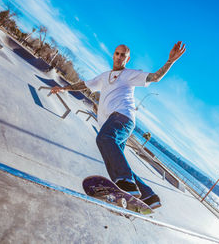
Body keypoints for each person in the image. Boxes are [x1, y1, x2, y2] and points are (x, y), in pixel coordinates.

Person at [50, 42, 186, 209]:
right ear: (113, 55)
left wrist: (170, 61)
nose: (119, 57)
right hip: (113, 122)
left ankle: (126, 183)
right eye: (117, 53)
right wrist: (64, 89)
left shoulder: (130, 74)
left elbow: (155, 77)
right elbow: (84, 85)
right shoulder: (104, 76)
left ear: (127, 59)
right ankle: (149, 196)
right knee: (113, 161)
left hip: (122, 117)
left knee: (105, 138)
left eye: (123, 55)